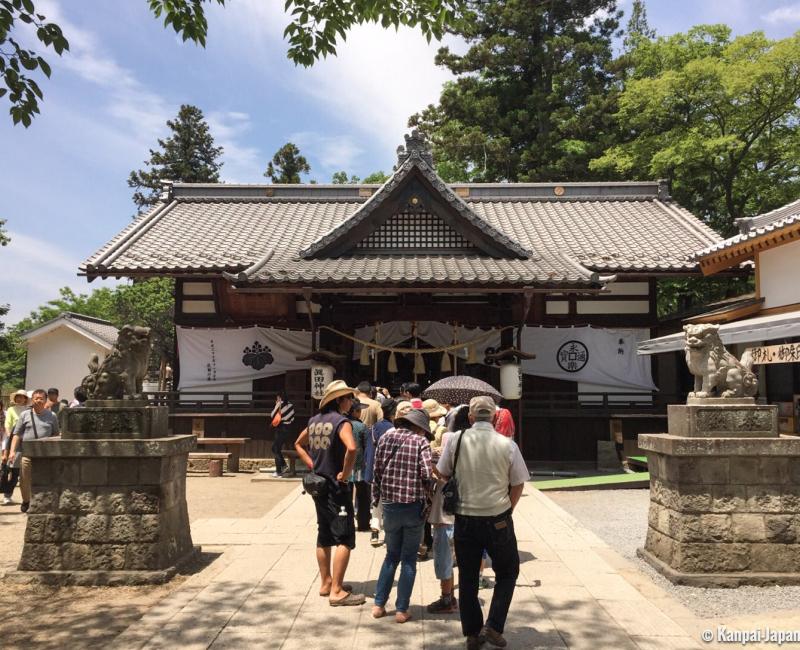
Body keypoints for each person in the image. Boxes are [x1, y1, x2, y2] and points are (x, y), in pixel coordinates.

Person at [437, 396, 529, 650]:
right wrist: (508, 508)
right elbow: (519, 481)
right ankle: (494, 626)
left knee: (467, 576)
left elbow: (442, 472)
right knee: (508, 572)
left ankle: (472, 632)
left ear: (470, 416)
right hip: (498, 517)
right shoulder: (507, 444)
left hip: (465, 518)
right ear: (494, 417)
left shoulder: (456, 439)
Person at [294, 380, 365, 606]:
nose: (351, 402)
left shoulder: (314, 421)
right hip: (336, 487)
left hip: (318, 485)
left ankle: (325, 582)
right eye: (348, 398)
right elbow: (352, 448)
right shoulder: (342, 422)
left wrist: (311, 463)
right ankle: (337, 591)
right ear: (339, 400)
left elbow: (298, 443)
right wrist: (346, 472)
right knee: (344, 536)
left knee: (324, 533)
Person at [371, 407, 433, 623]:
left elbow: (376, 471)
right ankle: (401, 609)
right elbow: (426, 473)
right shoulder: (420, 442)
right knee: (408, 559)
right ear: (417, 426)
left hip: (389, 505)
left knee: (391, 556)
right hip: (413, 506)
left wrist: (375, 499)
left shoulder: (385, 439)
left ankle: (378, 605)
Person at [426, 403, 458, 615]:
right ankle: (456, 596)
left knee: (445, 555)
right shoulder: (492, 443)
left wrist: (433, 470)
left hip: (448, 507)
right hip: (475, 507)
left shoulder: (453, 440)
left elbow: (442, 472)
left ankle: (447, 598)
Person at [9, 388, 60, 513]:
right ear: (32, 399)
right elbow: (16, 434)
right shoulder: (25, 415)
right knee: (24, 477)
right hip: (27, 452)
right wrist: (12, 451)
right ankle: (26, 500)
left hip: (45, 454)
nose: (38, 401)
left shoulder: (52, 416)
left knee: (46, 478)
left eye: (41, 398)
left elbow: (56, 434)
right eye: (36, 398)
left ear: (45, 400)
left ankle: (43, 501)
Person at [364, 398, 397, 547]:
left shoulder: (373, 427)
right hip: (386, 470)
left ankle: (375, 531)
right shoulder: (392, 429)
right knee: (389, 502)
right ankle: (390, 534)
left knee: (376, 501)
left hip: (373, 468)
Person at [346, 399, 371, 531]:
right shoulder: (362, 427)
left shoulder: (343, 424)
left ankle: (346, 523)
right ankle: (363, 523)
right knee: (363, 497)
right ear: (354, 411)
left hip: (346, 465)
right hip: (360, 465)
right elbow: (367, 447)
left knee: (346, 495)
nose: (360, 413)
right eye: (359, 410)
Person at [2, 390, 29, 506]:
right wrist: (10, 437)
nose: (19, 399)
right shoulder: (11, 410)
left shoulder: (28, 410)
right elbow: (7, 424)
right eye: (17, 397)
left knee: (23, 471)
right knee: (12, 469)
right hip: (14, 440)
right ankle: (7, 495)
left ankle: (27, 497)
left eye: (22, 397)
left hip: (27, 441)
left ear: (25, 399)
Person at [270, 392, 295, 477]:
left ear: (279, 397)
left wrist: (277, 404)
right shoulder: (291, 405)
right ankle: (280, 469)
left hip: (280, 428)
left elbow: (272, 415)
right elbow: (292, 418)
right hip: (289, 428)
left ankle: (281, 467)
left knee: (275, 448)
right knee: (277, 449)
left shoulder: (279, 404)